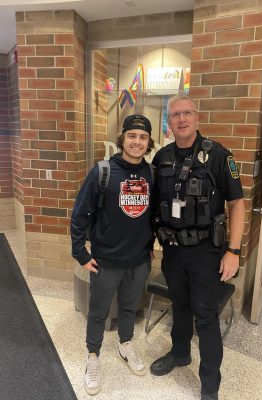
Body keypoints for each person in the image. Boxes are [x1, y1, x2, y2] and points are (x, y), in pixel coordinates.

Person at [150, 95, 245, 400]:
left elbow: (237, 204)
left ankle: (210, 385)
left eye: (187, 113)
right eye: (175, 114)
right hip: (173, 250)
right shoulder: (161, 157)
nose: (181, 119)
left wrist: (234, 251)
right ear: (168, 121)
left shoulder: (218, 156)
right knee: (179, 307)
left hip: (206, 252)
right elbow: (153, 206)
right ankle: (180, 354)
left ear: (197, 117)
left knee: (205, 316)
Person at [71, 115, 155, 396]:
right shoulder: (103, 171)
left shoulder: (151, 174)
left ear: (148, 142)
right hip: (106, 261)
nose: (137, 142)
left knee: (129, 309)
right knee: (98, 313)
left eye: (143, 137)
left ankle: (125, 344)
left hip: (139, 261)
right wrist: (80, 253)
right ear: (122, 139)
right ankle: (92, 357)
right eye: (132, 136)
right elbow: (80, 215)